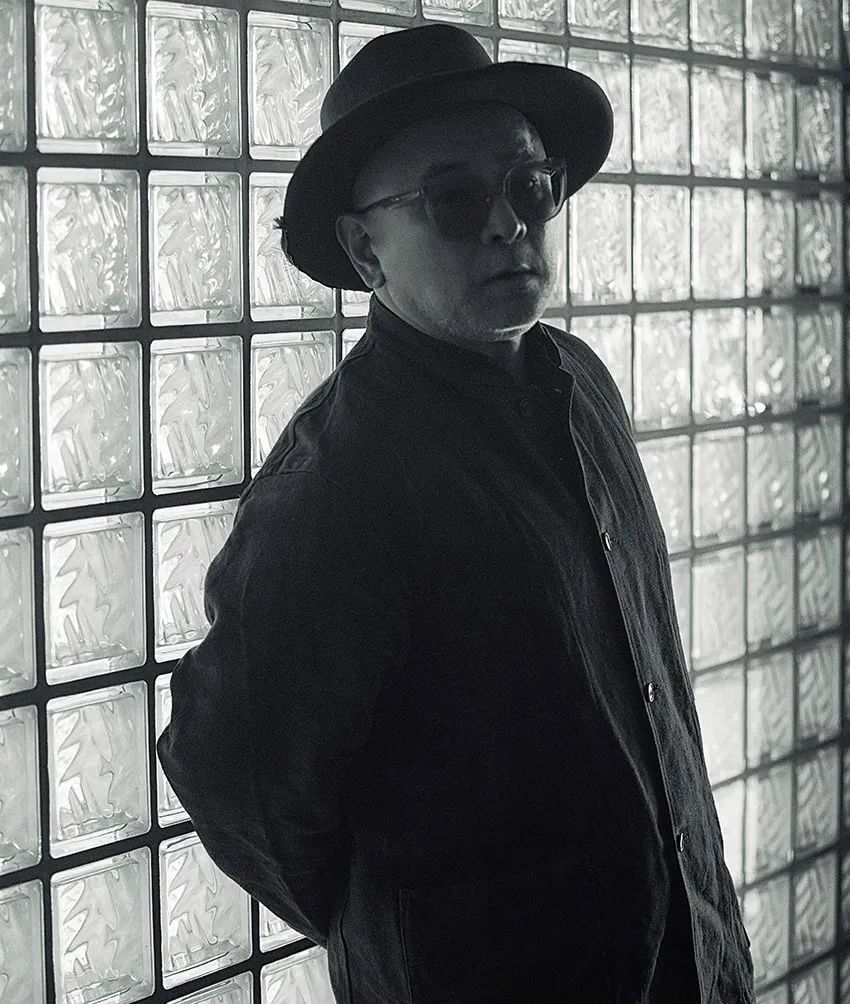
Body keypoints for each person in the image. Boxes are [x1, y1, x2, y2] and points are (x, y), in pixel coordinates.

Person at [157, 23, 756, 1004]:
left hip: (684, 955)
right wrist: (412, 920)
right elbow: (236, 773)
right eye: (454, 199)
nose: (509, 223)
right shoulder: (343, 476)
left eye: (529, 185)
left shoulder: (579, 380)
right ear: (366, 249)